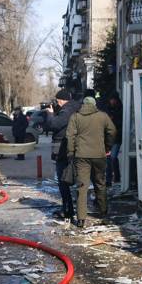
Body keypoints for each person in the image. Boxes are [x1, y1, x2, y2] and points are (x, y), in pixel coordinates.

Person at [66, 96, 117, 228]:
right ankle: (103, 212)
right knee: (100, 183)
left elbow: (69, 135)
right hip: (99, 155)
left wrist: (71, 152)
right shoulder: (102, 116)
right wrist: (108, 146)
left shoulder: (75, 116)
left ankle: (81, 219)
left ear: (83, 104)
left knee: (82, 187)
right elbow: (112, 131)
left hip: (81, 156)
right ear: (95, 104)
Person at [48, 90, 82, 220]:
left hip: (64, 148)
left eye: (57, 101)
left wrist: (51, 115)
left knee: (63, 180)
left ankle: (68, 210)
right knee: (78, 180)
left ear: (61, 100)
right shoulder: (77, 107)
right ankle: (77, 210)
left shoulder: (66, 111)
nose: (56, 103)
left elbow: (53, 124)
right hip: (78, 148)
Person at [104, 92, 123, 187]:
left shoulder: (120, 108)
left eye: (113, 99)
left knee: (113, 157)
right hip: (108, 138)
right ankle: (108, 180)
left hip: (117, 138)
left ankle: (117, 177)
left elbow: (121, 123)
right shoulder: (108, 108)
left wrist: (113, 119)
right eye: (111, 99)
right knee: (108, 158)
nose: (112, 101)